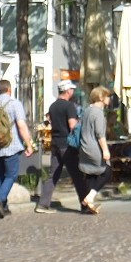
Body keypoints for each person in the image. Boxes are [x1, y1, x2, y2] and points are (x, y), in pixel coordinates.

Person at [0, 79, 34, 219]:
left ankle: (2, 207)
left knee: (0, 175)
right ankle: (0, 198)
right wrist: (28, 144)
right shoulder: (15, 104)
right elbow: (21, 125)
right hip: (12, 145)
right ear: (9, 89)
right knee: (11, 175)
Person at [36, 80, 81, 214]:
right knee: (76, 175)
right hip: (67, 144)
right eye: (71, 89)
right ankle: (85, 203)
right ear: (68, 91)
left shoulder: (53, 106)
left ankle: (43, 204)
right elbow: (72, 125)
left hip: (55, 143)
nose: (72, 92)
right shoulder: (69, 106)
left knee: (53, 174)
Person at [76, 86, 112, 214]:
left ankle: (88, 205)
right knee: (106, 171)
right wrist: (105, 150)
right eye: (107, 96)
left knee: (91, 174)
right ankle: (89, 197)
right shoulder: (98, 113)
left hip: (84, 146)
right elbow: (99, 134)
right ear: (101, 97)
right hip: (94, 148)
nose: (109, 99)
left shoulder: (87, 110)